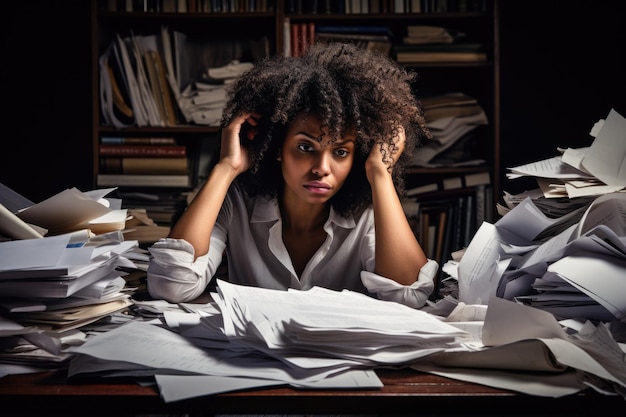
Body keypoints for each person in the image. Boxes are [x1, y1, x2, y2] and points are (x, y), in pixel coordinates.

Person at [147, 42, 438, 308]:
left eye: (340, 152)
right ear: (277, 148)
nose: (322, 168)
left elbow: (408, 297)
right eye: (304, 147)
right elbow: (170, 285)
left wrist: (380, 171)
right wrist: (226, 168)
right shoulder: (236, 202)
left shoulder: (367, 215)